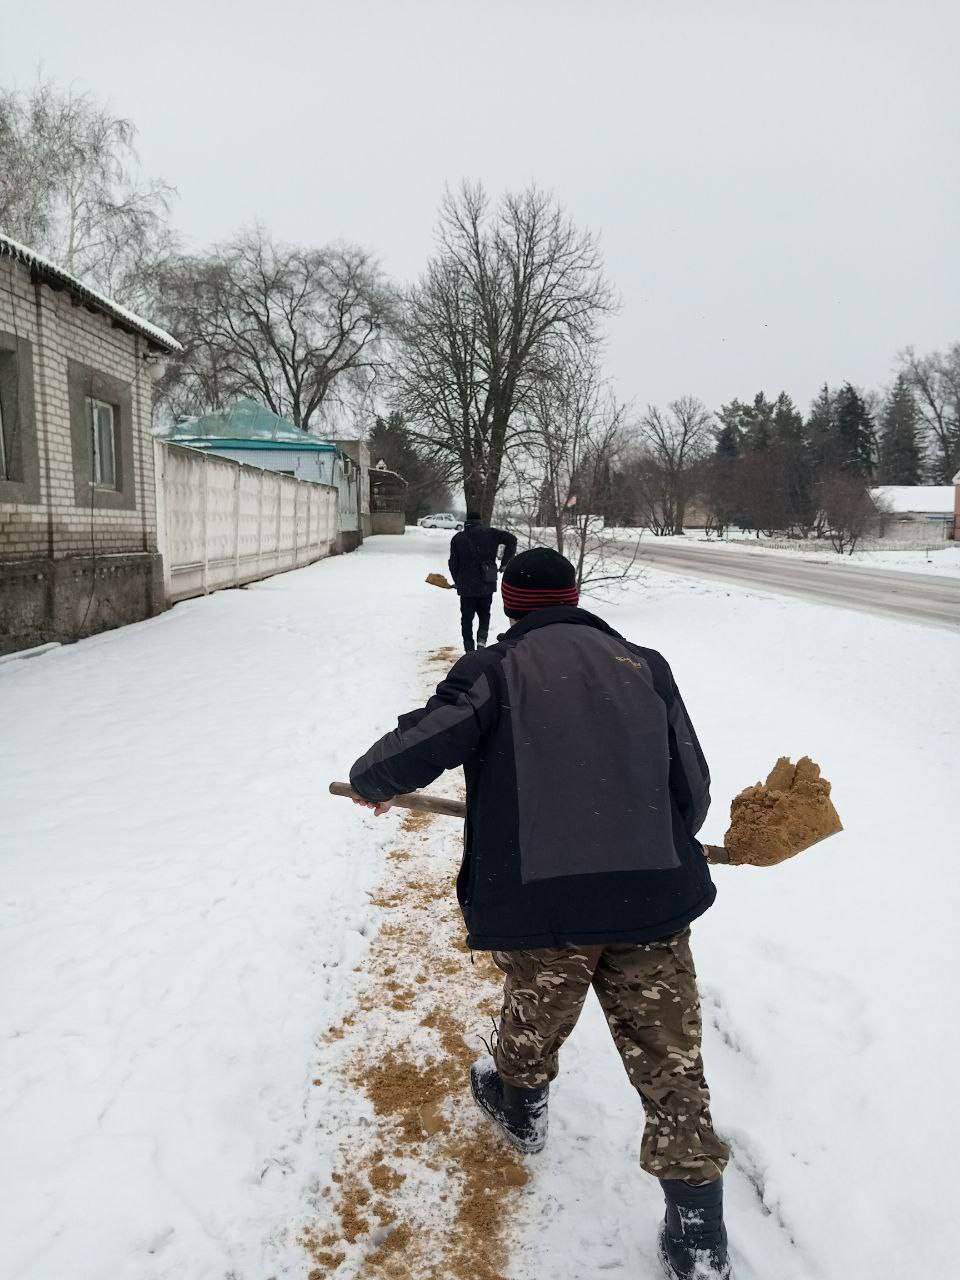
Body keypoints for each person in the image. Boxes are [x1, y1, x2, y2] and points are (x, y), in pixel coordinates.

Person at [348, 547, 732, 1280]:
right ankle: (698, 1230)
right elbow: (694, 781)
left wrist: (374, 779)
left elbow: (427, 739)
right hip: (653, 897)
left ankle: (520, 1108)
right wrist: (656, 837)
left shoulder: (493, 670)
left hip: (552, 900)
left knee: (536, 1009)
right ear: (577, 596)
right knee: (670, 1055)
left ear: (510, 603)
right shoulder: (644, 664)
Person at [447, 512, 517, 652]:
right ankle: (481, 642)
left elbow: (452, 563)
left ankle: (468, 648)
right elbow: (512, 539)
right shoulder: (491, 533)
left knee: (466, 617)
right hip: (486, 582)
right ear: (480, 522)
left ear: (467, 522)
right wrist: (504, 562)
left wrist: (458, 581)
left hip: (466, 585)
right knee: (485, 614)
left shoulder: (458, 538)